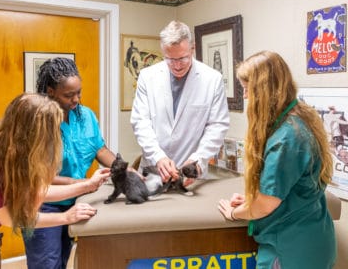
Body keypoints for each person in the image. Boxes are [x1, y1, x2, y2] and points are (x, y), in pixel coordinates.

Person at [0, 93, 107, 269]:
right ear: (32, 135)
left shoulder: (9, 150)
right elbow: (11, 218)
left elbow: (36, 191)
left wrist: (88, 185)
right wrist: (65, 217)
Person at [218, 51, 336, 269]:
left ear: (263, 91)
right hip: (314, 239)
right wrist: (250, 199)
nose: (244, 96)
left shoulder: (286, 139)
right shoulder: (300, 119)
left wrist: (235, 212)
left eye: (246, 89)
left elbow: (265, 205)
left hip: (291, 250)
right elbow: (290, 187)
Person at [23, 57, 117, 269]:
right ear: (50, 91)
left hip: (76, 201)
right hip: (44, 203)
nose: (76, 99)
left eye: (79, 93)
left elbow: (99, 149)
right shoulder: (38, 123)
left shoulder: (85, 115)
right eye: (69, 95)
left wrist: (123, 168)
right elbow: (40, 178)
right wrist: (82, 183)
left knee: (64, 260)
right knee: (47, 264)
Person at [130, 20, 229, 184]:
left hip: (190, 174)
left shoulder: (212, 79)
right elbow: (140, 121)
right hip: (153, 171)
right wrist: (158, 156)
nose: (176, 66)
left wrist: (198, 159)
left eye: (183, 58)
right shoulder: (147, 77)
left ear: (193, 48)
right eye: (170, 59)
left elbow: (217, 125)